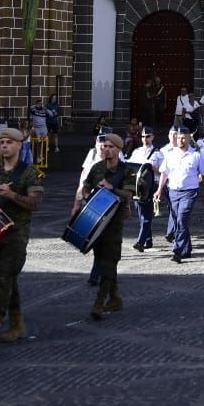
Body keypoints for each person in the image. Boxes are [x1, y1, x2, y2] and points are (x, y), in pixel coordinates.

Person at [0, 132, 44, 347]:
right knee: (6, 278)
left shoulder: (29, 172)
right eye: (2, 142)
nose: (4, 146)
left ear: (19, 146)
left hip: (17, 233)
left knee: (4, 277)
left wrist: (12, 195)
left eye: (9, 143)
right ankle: (17, 325)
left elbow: (35, 204)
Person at [79, 133, 130, 319]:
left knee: (110, 260)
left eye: (110, 146)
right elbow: (85, 186)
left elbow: (130, 193)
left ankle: (99, 304)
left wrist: (112, 189)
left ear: (118, 149)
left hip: (114, 223)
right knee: (103, 260)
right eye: (104, 146)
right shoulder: (97, 167)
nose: (106, 149)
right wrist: (85, 197)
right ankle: (115, 298)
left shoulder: (126, 170)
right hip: (96, 220)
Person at [154, 126, 204, 263]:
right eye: (179, 137)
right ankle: (187, 248)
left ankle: (177, 251)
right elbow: (164, 174)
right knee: (179, 220)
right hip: (173, 191)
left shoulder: (196, 155)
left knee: (181, 219)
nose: (180, 140)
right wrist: (159, 190)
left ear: (189, 138)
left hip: (189, 192)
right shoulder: (171, 154)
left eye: (183, 137)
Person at [127, 128, 163, 251]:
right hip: (137, 187)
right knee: (140, 214)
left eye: (147, 136)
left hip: (151, 186)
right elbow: (129, 167)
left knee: (146, 216)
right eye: (142, 136)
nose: (145, 139)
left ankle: (140, 242)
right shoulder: (136, 152)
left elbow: (164, 172)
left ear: (152, 137)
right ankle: (148, 240)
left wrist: (155, 169)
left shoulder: (158, 153)